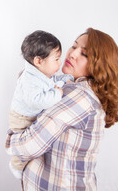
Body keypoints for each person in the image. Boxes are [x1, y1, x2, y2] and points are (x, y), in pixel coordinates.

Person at [5, 28, 118, 190]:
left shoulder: (78, 95)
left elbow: (29, 145)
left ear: (99, 66)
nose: (73, 54)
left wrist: (11, 141)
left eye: (85, 54)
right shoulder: (73, 87)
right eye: (74, 46)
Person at [8, 30, 74, 179]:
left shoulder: (41, 73)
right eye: (56, 59)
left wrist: (66, 78)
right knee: (25, 146)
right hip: (21, 118)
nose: (60, 63)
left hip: (30, 115)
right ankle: (16, 165)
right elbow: (37, 100)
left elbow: (52, 82)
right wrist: (57, 93)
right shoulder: (29, 79)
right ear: (38, 61)